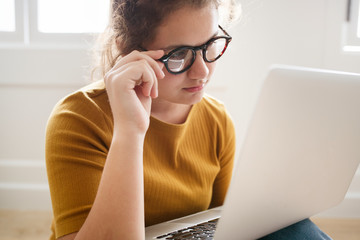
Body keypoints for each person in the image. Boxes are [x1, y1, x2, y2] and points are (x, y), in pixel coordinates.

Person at [45, 0, 332, 239]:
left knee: (295, 229)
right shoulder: (77, 119)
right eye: (180, 54)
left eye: (211, 44)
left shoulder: (215, 119)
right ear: (128, 51)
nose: (202, 72)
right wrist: (130, 131)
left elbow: (226, 222)